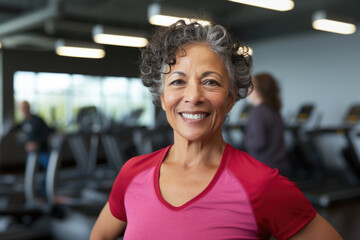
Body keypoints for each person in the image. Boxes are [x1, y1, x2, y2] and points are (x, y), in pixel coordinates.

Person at [90, 21, 342, 240]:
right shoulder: (132, 173)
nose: (193, 96)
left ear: (231, 97)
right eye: (178, 81)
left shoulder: (261, 186)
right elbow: (100, 234)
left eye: (210, 82)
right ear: (162, 96)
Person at [244, 73, 288, 175]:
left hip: (262, 167)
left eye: (251, 86)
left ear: (259, 90)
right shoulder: (274, 110)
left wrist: (244, 144)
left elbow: (258, 143)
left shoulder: (257, 112)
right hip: (278, 166)